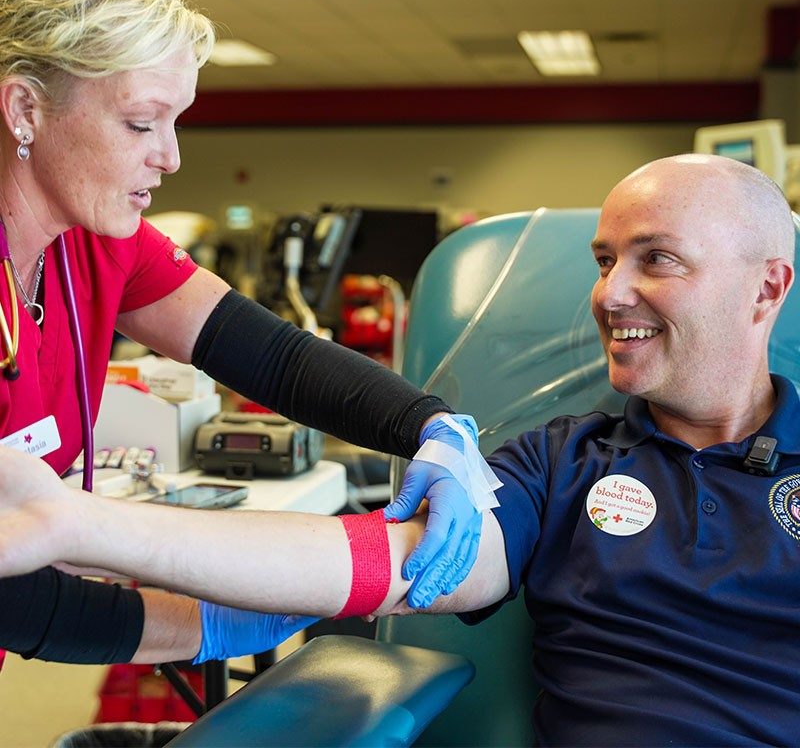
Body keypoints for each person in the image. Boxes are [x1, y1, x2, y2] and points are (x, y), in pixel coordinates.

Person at [2, 153, 798, 746]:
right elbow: (394, 562)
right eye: (603, 261)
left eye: (655, 258)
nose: (609, 292)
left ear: (767, 288)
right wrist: (79, 524)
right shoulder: (565, 463)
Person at [0, 0, 487, 670]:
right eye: (142, 123)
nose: (170, 157)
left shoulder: (97, 246)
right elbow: (17, 599)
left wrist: (429, 426)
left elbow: (273, 357)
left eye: (177, 122)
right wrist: (202, 625)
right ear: (24, 108)